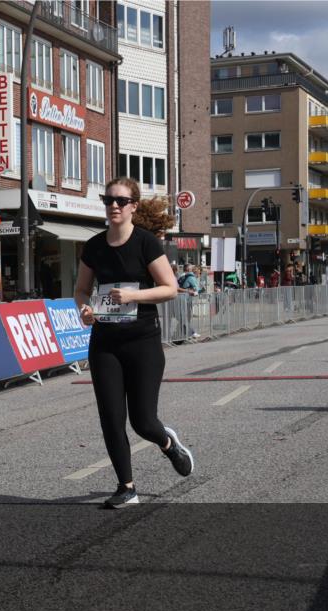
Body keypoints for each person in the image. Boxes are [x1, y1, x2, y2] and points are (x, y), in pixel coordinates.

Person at [74, 177, 194, 508]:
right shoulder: (95, 246)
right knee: (111, 418)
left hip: (142, 340)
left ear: (134, 206)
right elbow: (81, 289)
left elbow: (169, 287)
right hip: (105, 343)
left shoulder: (145, 243)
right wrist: (84, 308)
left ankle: (168, 443)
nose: (113, 205)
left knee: (143, 422)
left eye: (121, 201)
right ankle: (126, 487)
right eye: (108, 199)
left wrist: (133, 295)